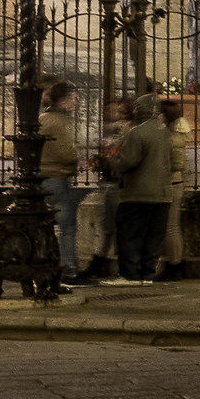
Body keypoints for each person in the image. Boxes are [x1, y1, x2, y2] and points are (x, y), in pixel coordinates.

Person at [108, 97, 172, 284]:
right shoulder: (165, 132)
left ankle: (130, 275)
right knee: (153, 236)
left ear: (139, 111)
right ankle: (148, 273)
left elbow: (128, 161)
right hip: (162, 194)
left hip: (138, 193)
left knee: (130, 235)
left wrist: (111, 162)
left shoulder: (137, 133)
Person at [72, 99, 131, 284]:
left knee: (112, 228)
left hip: (118, 184)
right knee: (108, 227)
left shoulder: (125, 132)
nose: (116, 116)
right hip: (112, 183)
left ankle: (101, 264)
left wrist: (106, 159)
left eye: (121, 112)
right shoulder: (115, 131)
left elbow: (120, 158)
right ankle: (99, 262)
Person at [38, 81, 84, 285]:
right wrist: (78, 158)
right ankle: (69, 271)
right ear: (63, 100)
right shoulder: (59, 122)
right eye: (73, 97)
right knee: (67, 227)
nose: (76, 101)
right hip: (57, 178)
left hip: (46, 177)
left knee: (48, 227)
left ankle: (48, 267)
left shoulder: (43, 118)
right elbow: (65, 151)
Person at [155, 96, 192, 280]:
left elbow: (176, 163)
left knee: (171, 227)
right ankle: (175, 262)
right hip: (172, 182)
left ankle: (175, 264)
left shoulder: (171, 138)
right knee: (170, 226)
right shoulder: (171, 135)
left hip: (172, 183)